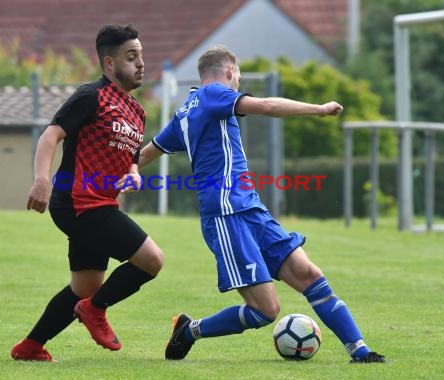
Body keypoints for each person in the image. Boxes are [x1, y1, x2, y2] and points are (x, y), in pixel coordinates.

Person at [135, 45, 385, 363]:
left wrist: (105, 180)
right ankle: (189, 330)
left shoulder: (186, 111)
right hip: (226, 215)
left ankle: (360, 351)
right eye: (237, 76)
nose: (237, 82)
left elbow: (144, 154)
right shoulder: (214, 93)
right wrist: (319, 110)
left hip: (250, 208)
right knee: (266, 310)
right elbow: (266, 106)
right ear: (229, 72)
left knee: (307, 272)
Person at [10, 24, 164, 362]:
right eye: (131, 57)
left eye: (141, 56)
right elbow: (50, 136)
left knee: (85, 287)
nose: (140, 63)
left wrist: (134, 174)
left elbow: (132, 158)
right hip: (80, 202)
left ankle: (30, 346)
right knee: (152, 260)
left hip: (100, 203)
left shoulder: (137, 111)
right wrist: (41, 179)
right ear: (109, 64)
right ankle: (94, 312)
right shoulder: (91, 96)